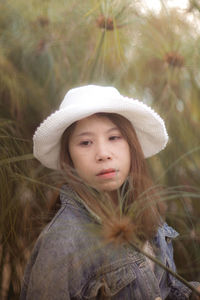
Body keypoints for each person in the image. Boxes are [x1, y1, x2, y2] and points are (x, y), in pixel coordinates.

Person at [20, 85, 200, 300]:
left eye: (114, 138)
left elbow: (163, 289)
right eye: (85, 142)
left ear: (131, 145)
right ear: (69, 157)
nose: (103, 154)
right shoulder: (62, 241)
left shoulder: (146, 211)